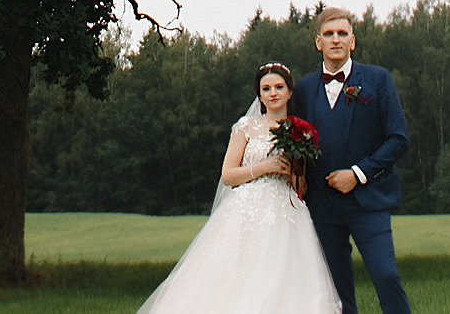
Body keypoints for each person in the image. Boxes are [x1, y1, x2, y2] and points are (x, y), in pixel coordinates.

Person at [132, 62, 340, 314]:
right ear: (259, 95)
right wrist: (266, 167)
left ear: (289, 92)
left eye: (278, 87)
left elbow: (301, 186)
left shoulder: (300, 132)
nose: (273, 93)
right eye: (266, 88)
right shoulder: (246, 127)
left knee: (285, 275)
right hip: (247, 210)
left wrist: (295, 170)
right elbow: (228, 175)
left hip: (286, 210)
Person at [289, 7, 412, 314]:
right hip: (322, 205)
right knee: (336, 292)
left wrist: (357, 174)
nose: (336, 40)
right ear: (318, 42)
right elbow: (293, 143)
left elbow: (399, 139)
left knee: (386, 275)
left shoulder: (378, 80)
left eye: (342, 34)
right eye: (329, 34)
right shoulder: (303, 88)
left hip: (369, 201)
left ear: (353, 41)